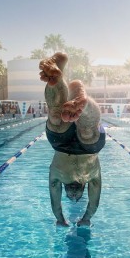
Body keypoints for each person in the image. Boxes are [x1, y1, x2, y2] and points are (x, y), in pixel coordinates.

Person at [39, 52, 105, 227]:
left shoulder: (56, 178)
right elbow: (94, 203)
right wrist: (86, 218)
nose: (74, 195)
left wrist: (60, 218)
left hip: (61, 145)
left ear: (64, 191)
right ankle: (82, 104)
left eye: (70, 196)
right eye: (77, 196)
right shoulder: (92, 178)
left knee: (55, 119)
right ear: (84, 189)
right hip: (89, 150)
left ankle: (58, 81)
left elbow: (55, 201)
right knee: (88, 131)